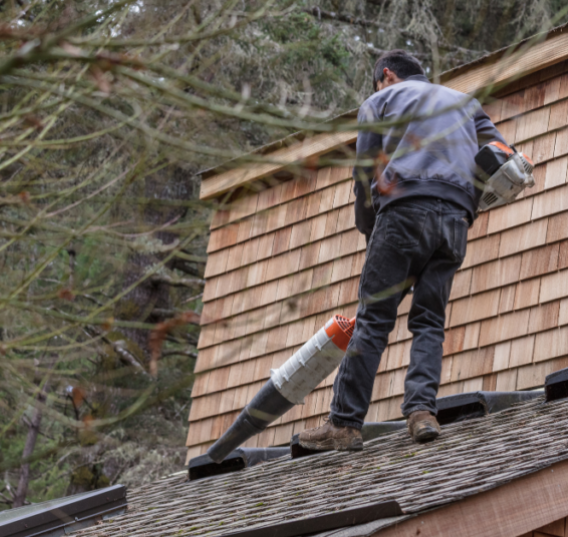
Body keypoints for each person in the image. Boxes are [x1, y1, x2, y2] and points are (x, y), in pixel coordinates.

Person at [298, 49, 507, 451]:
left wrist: (369, 228)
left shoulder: (380, 101)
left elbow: (365, 175)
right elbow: (500, 153)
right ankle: (422, 413)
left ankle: (344, 423)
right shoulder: (465, 103)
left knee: (374, 317)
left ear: (387, 76)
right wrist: (467, 202)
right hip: (456, 220)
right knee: (429, 319)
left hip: (404, 211)